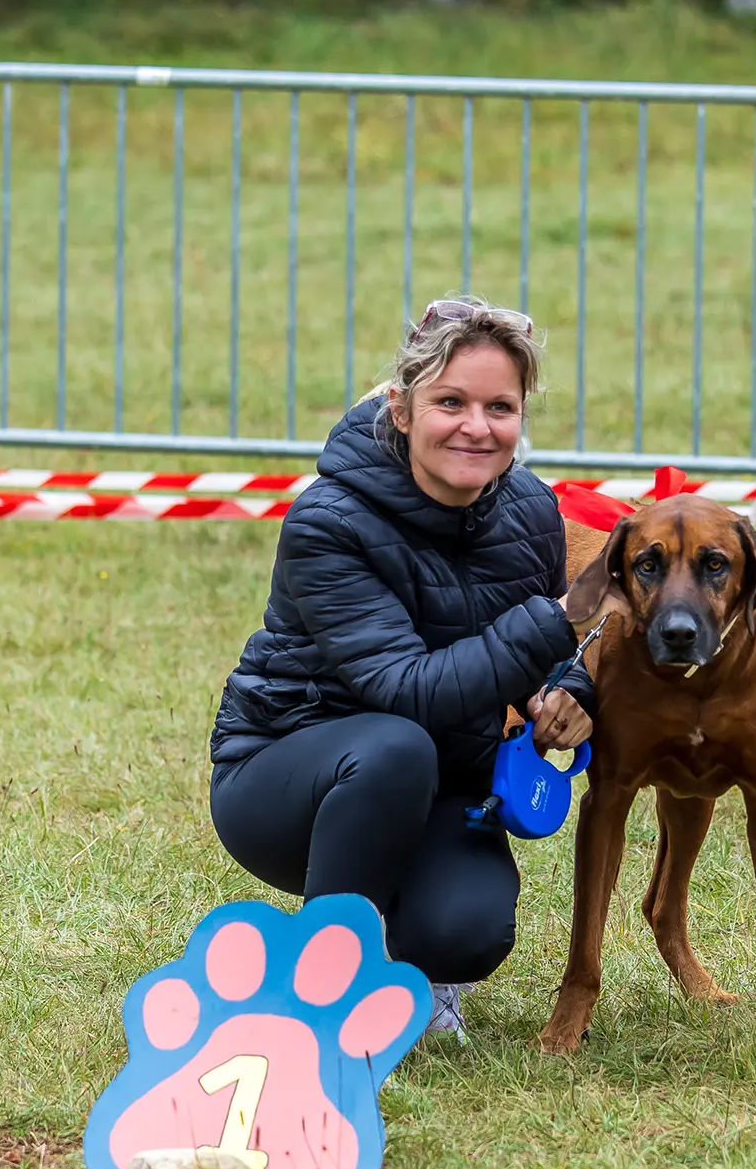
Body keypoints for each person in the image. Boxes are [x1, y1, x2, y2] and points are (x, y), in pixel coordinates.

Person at [208, 298, 594, 1043]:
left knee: (468, 929)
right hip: (288, 778)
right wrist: (555, 618)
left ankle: (419, 969)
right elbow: (407, 690)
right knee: (394, 743)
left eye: (500, 406)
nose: (477, 426)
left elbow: (548, 660)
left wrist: (571, 692)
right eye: (450, 401)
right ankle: (319, 992)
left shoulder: (534, 512)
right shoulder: (328, 521)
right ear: (402, 407)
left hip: (446, 778)